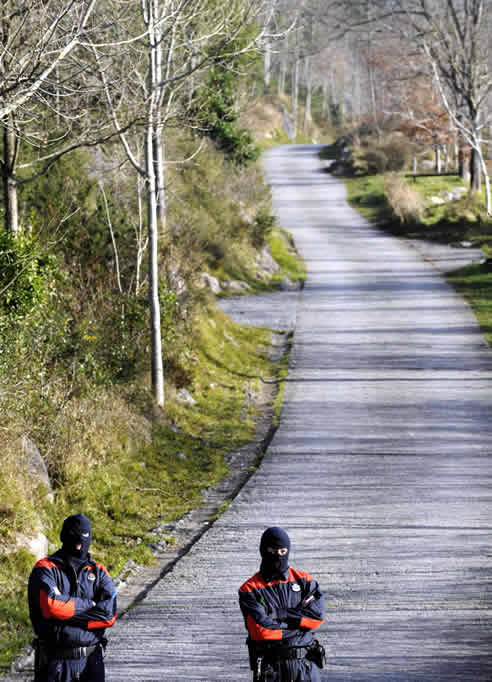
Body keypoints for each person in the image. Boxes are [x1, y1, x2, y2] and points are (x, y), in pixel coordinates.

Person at [28, 513, 117, 682]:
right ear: (64, 537)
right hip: (55, 665)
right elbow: (51, 606)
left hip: (92, 662)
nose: (80, 543)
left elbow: (109, 615)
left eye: (85, 536)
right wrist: (91, 605)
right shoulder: (45, 569)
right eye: (75, 535)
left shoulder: (99, 572)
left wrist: (65, 616)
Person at [239, 526, 325, 682]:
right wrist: (300, 629)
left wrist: (280, 614)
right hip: (271, 670)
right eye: (272, 550)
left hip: (305, 669)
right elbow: (262, 631)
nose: (278, 556)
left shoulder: (305, 581)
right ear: (263, 550)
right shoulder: (249, 589)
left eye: (283, 551)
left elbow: (316, 619)